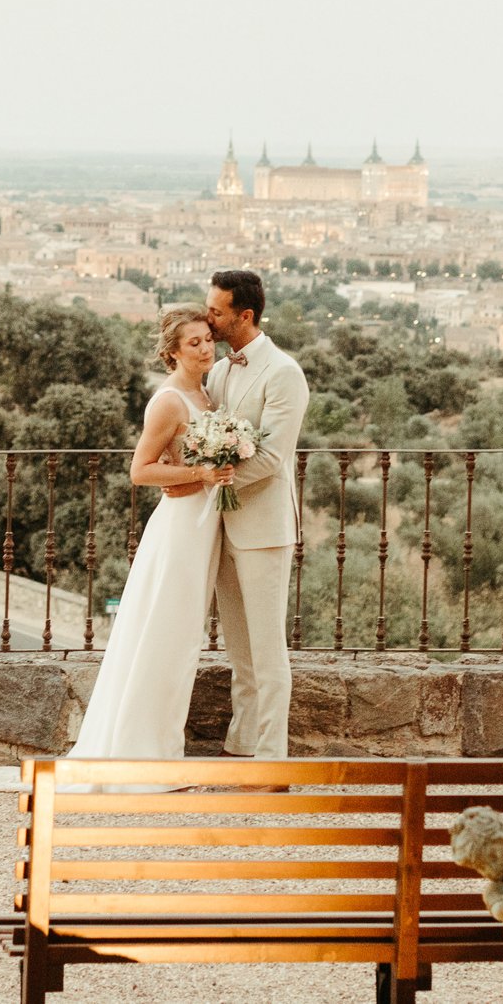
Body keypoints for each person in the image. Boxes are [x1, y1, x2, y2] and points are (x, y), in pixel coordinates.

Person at [0, 306, 232, 790]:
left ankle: (161, 751)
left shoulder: (206, 393)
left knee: (181, 641)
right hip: (179, 531)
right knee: (164, 637)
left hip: (202, 526)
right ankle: (144, 758)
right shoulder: (169, 401)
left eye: (208, 338)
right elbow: (141, 471)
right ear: (172, 351)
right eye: (194, 342)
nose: (206, 347)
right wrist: (202, 474)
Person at [203, 267, 307, 759]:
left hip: (263, 529)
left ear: (244, 315)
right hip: (223, 526)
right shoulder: (220, 370)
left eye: (217, 311)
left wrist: (213, 477)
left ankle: (271, 756)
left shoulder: (284, 372)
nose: (209, 318)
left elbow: (270, 458)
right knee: (239, 651)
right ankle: (241, 744)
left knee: (268, 651)